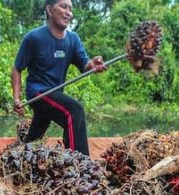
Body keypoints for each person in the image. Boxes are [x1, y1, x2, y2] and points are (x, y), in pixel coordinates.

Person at [11, 0, 107, 156]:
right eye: (63, 6)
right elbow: (17, 68)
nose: (68, 12)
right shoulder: (34, 37)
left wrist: (93, 65)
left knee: (36, 134)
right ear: (49, 10)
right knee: (73, 111)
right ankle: (81, 164)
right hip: (37, 93)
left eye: (70, 8)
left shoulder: (73, 39)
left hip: (54, 94)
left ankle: (19, 153)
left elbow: (85, 64)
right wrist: (17, 98)